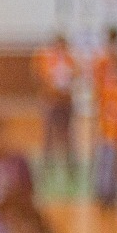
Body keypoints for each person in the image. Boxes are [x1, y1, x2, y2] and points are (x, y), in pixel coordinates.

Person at [32, 34, 78, 175]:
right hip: (52, 102)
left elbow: (76, 75)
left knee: (67, 136)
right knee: (48, 136)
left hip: (65, 102)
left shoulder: (70, 59)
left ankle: (70, 168)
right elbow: (40, 75)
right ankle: (47, 167)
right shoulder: (47, 58)